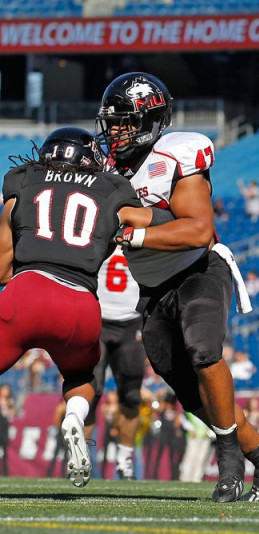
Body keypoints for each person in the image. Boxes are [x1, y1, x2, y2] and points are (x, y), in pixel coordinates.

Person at [96, 72, 259, 502]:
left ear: (152, 121)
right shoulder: (105, 165)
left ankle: (229, 466)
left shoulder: (178, 155)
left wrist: (134, 233)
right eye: (112, 123)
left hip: (198, 270)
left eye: (126, 122)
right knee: (189, 393)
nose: (116, 132)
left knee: (205, 352)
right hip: (151, 288)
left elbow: (199, 230)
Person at [0, 127, 156, 488]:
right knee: (81, 379)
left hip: (28, 290)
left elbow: (2, 264)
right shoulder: (113, 188)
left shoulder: (23, 180)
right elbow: (149, 224)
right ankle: (75, 415)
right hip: (82, 305)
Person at [85, 246, 146, 480]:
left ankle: (124, 458)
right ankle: (83, 456)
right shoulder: (101, 227)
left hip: (131, 323)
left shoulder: (144, 231)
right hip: (97, 319)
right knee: (91, 392)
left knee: (131, 396)